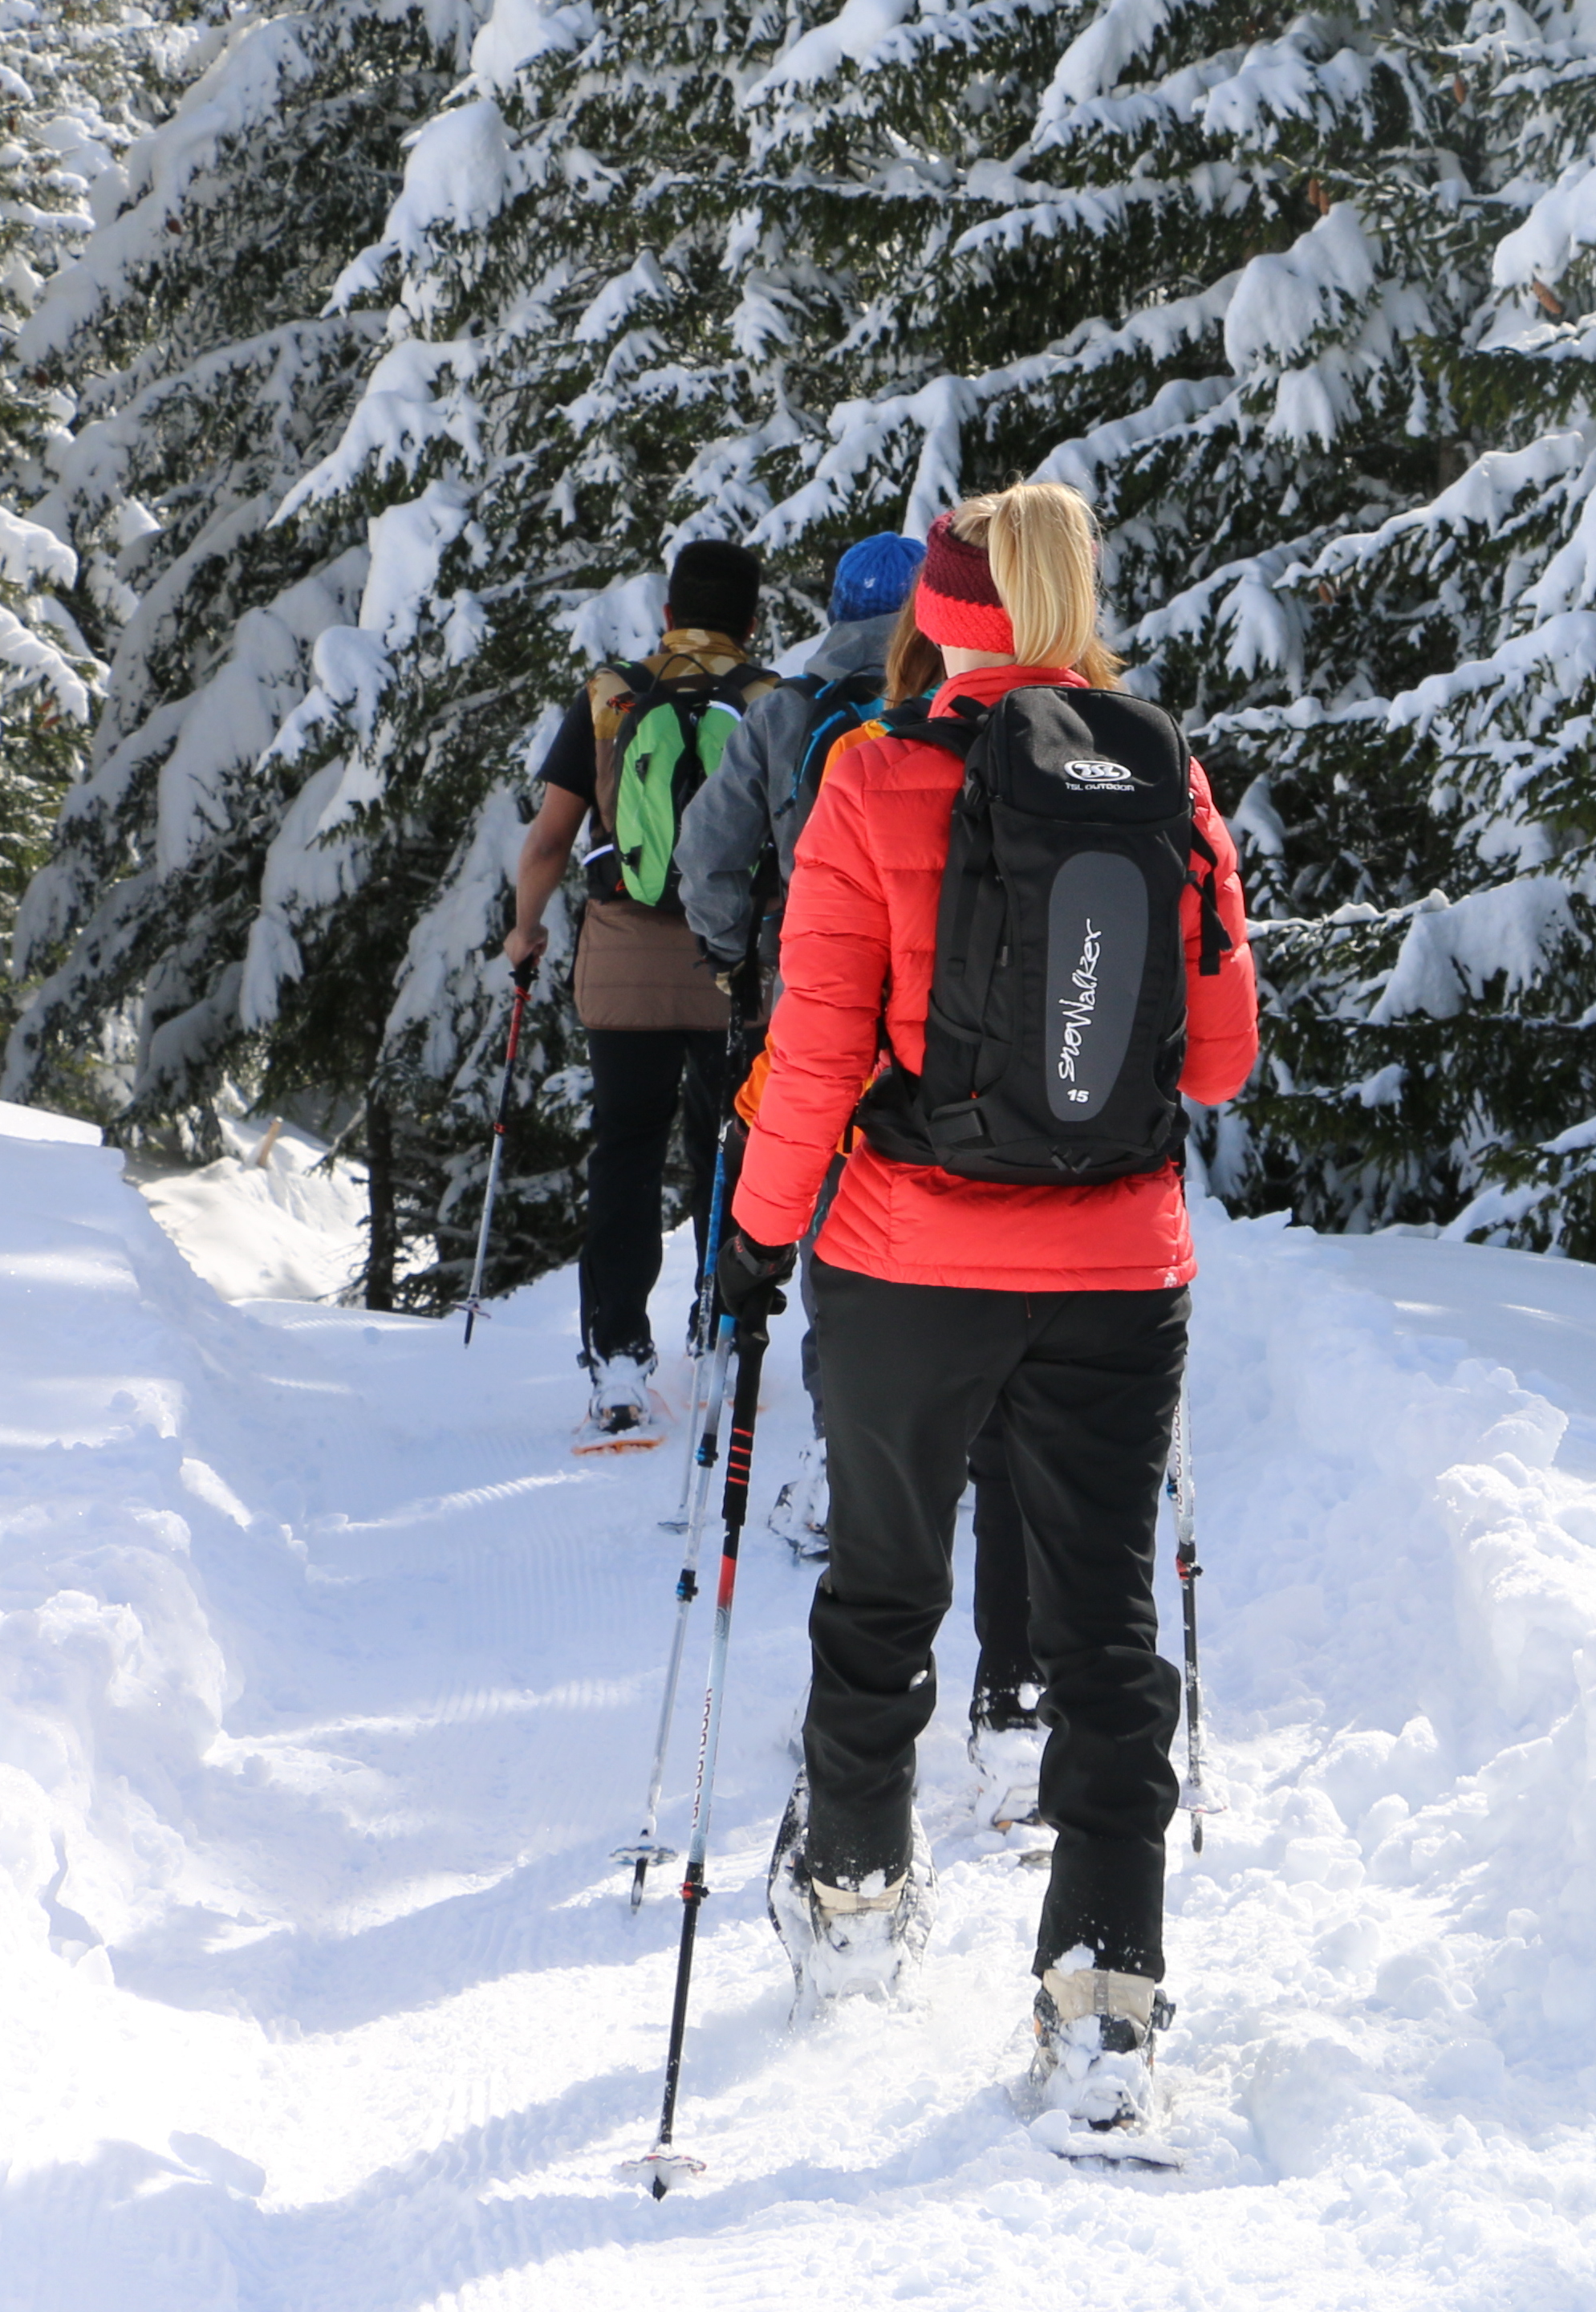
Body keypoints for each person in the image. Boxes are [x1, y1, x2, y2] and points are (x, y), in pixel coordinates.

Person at [713, 482, 1260, 2132]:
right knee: (1105, 1640)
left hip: (904, 1259)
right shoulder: (1168, 779)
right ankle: (1105, 2001)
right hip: (1116, 1269)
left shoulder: (869, 776)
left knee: (883, 1585)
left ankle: (858, 1903)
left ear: (935, 620)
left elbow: (813, 1049)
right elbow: (1221, 1056)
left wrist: (751, 1238)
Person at [674, 531, 924, 1561]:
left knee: (831, 1214)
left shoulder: (785, 711)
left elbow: (708, 851)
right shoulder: (953, 705)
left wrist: (734, 955)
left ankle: (840, 1453)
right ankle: (950, 1440)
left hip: (818, 993)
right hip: (937, 1002)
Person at [501, 538, 775, 1438]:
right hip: (731, 968)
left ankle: (618, 1358)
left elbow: (549, 841)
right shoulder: (771, 702)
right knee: (726, 1146)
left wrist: (526, 929)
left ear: (669, 617)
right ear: (753, 622)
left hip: (621, 962)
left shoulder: (612, 696)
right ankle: (724, 1331)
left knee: (624, 1151)